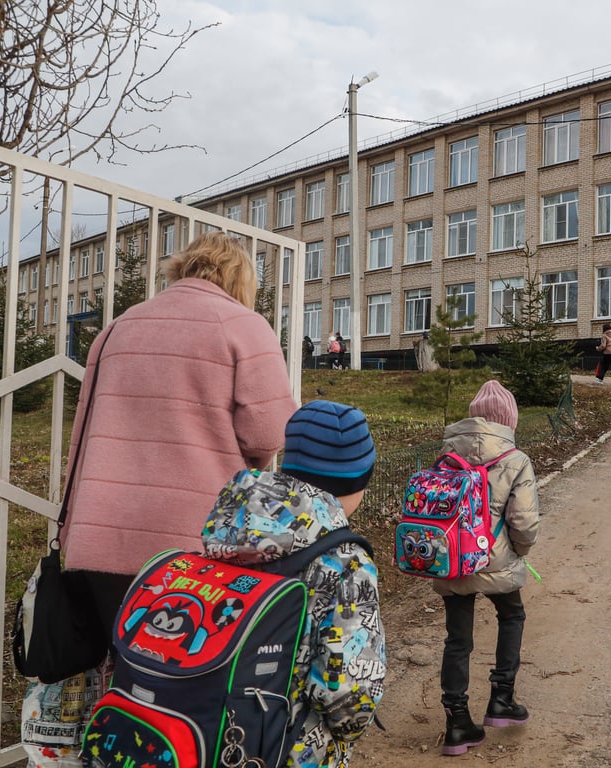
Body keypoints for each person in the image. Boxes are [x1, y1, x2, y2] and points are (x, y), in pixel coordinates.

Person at [59, 230, 299, 645]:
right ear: (241, 278)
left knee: (117, 677)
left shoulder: (118, 327)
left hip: (101, 535)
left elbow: (84, 430)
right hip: (194, 544)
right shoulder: (243, 325)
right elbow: (269, 434)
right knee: (181, 683)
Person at [203, 400, 385, 768]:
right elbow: (349, 692)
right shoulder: (347, 564)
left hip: (208, 729)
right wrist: (348, 732)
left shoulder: (230, 529)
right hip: (286, 748)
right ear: (357, 481)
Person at [435, 380, 541, 756]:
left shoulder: (446, 455)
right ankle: (502, 699)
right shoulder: (516, 460)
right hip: (498, 557)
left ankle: (457, 723)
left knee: (457, 640)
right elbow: (524, 522)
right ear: (508, 420)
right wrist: (519, 551)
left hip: (452, 560)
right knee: (512, 616)